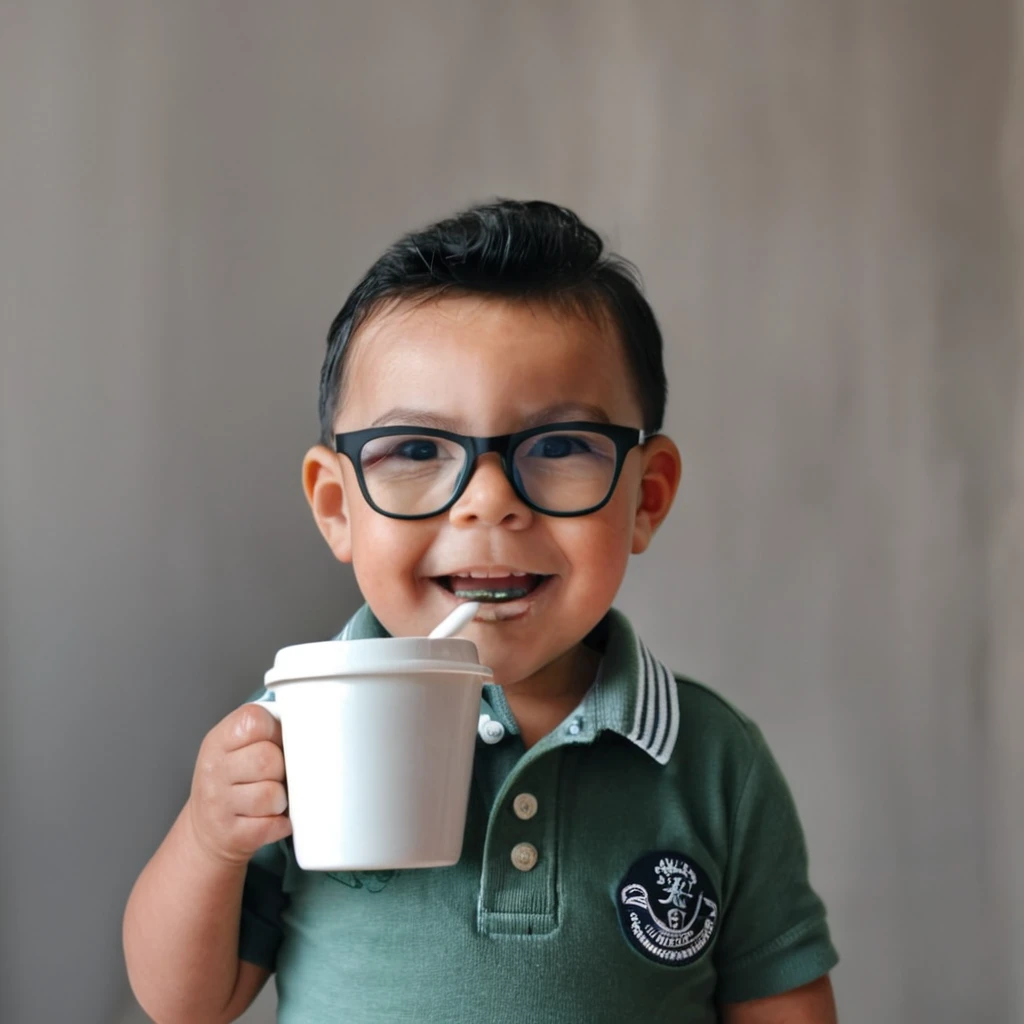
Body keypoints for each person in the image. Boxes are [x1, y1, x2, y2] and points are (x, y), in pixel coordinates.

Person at [123, 200, 839, 1022]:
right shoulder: (297, 736)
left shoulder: (713, 763)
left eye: (562, 445)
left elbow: (782, 1002)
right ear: (336, 507)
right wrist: (211, 840)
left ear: (647, 496)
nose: (489, 503)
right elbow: (183, 1004)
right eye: (418, 450)